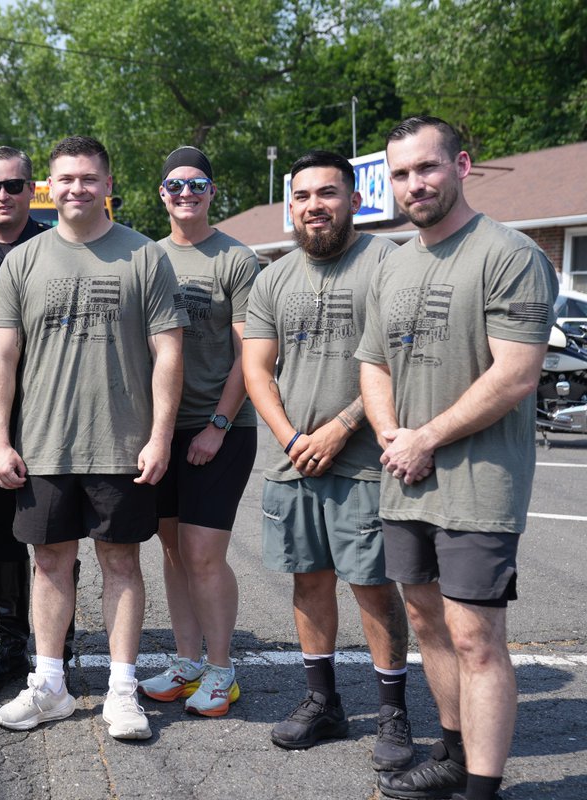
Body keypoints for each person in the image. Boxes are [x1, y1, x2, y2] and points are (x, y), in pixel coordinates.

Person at [361, 117, 556, 800]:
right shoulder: (394, 263)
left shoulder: (510, 254)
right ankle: (450, 753)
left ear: (462, 165)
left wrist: (425, 438)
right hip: (404, 476)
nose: (415, 184)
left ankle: (481, 787)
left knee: (476, 634)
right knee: (423, 619)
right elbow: (374, 366)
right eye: (402, 173)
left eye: (428, 168)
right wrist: (392, 436)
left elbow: (516, 375)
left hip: (479, 482)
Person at [0, 135, 186, 741]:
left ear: (107, 184)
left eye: (88, 178)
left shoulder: (145, 256)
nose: (77, 188)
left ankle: (123, 693)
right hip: (44, 444)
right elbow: (1, 356)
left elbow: (168, 352)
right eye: (65, 178)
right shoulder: (24, 260)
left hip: (122, 445)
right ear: (50, 186)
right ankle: (49, 686)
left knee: (121, 562)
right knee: (49, 564)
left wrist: (160, 436)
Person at [243, 150, 413, 771]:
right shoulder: (273, 277)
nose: (315, 206)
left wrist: (341, 428)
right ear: (291, 205)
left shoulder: (389, 263)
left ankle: (393, 712)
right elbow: (257, 369)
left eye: (328, 193)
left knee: (372, 585)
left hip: (366, 462)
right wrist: (291, 439)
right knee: (308, 581)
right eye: (303, 196)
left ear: (355, 199)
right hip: (294, 463)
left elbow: (400, 359)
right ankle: (323, 702)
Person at [136, 146, 258, 717]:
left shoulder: (234, 259)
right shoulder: (146, 255)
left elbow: (250, 356)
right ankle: (186, 662)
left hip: (220, 425)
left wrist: (217, 425)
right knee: (173, 551)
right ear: (161, 194)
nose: (186, 193)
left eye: (197, 184)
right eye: (175, 185)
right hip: (164, 429)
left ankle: (221, 669)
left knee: (204, 553)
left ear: (212, 192)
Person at [0, 145, 79, 690]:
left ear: (35, 190)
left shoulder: (60, 247)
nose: (2, 196)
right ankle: (11, 641)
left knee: (58, 534)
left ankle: (61, 642)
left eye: (13, 186)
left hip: (54, 413)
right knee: (1, 533)